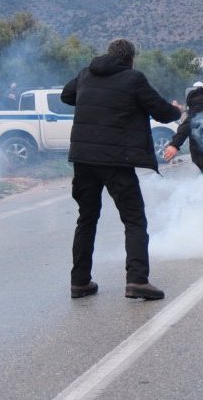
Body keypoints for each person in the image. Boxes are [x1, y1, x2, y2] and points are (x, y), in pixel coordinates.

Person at [61, 38, 183, 301]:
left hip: (83, 160)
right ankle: (137, 280)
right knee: (134, 219)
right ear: (131, 59)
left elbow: (66, 95)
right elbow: (161, 112)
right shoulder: (133, 79)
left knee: (86, 219)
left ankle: (79, 282)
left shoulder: (86, 74)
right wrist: (176, 110)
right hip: (116, 160)